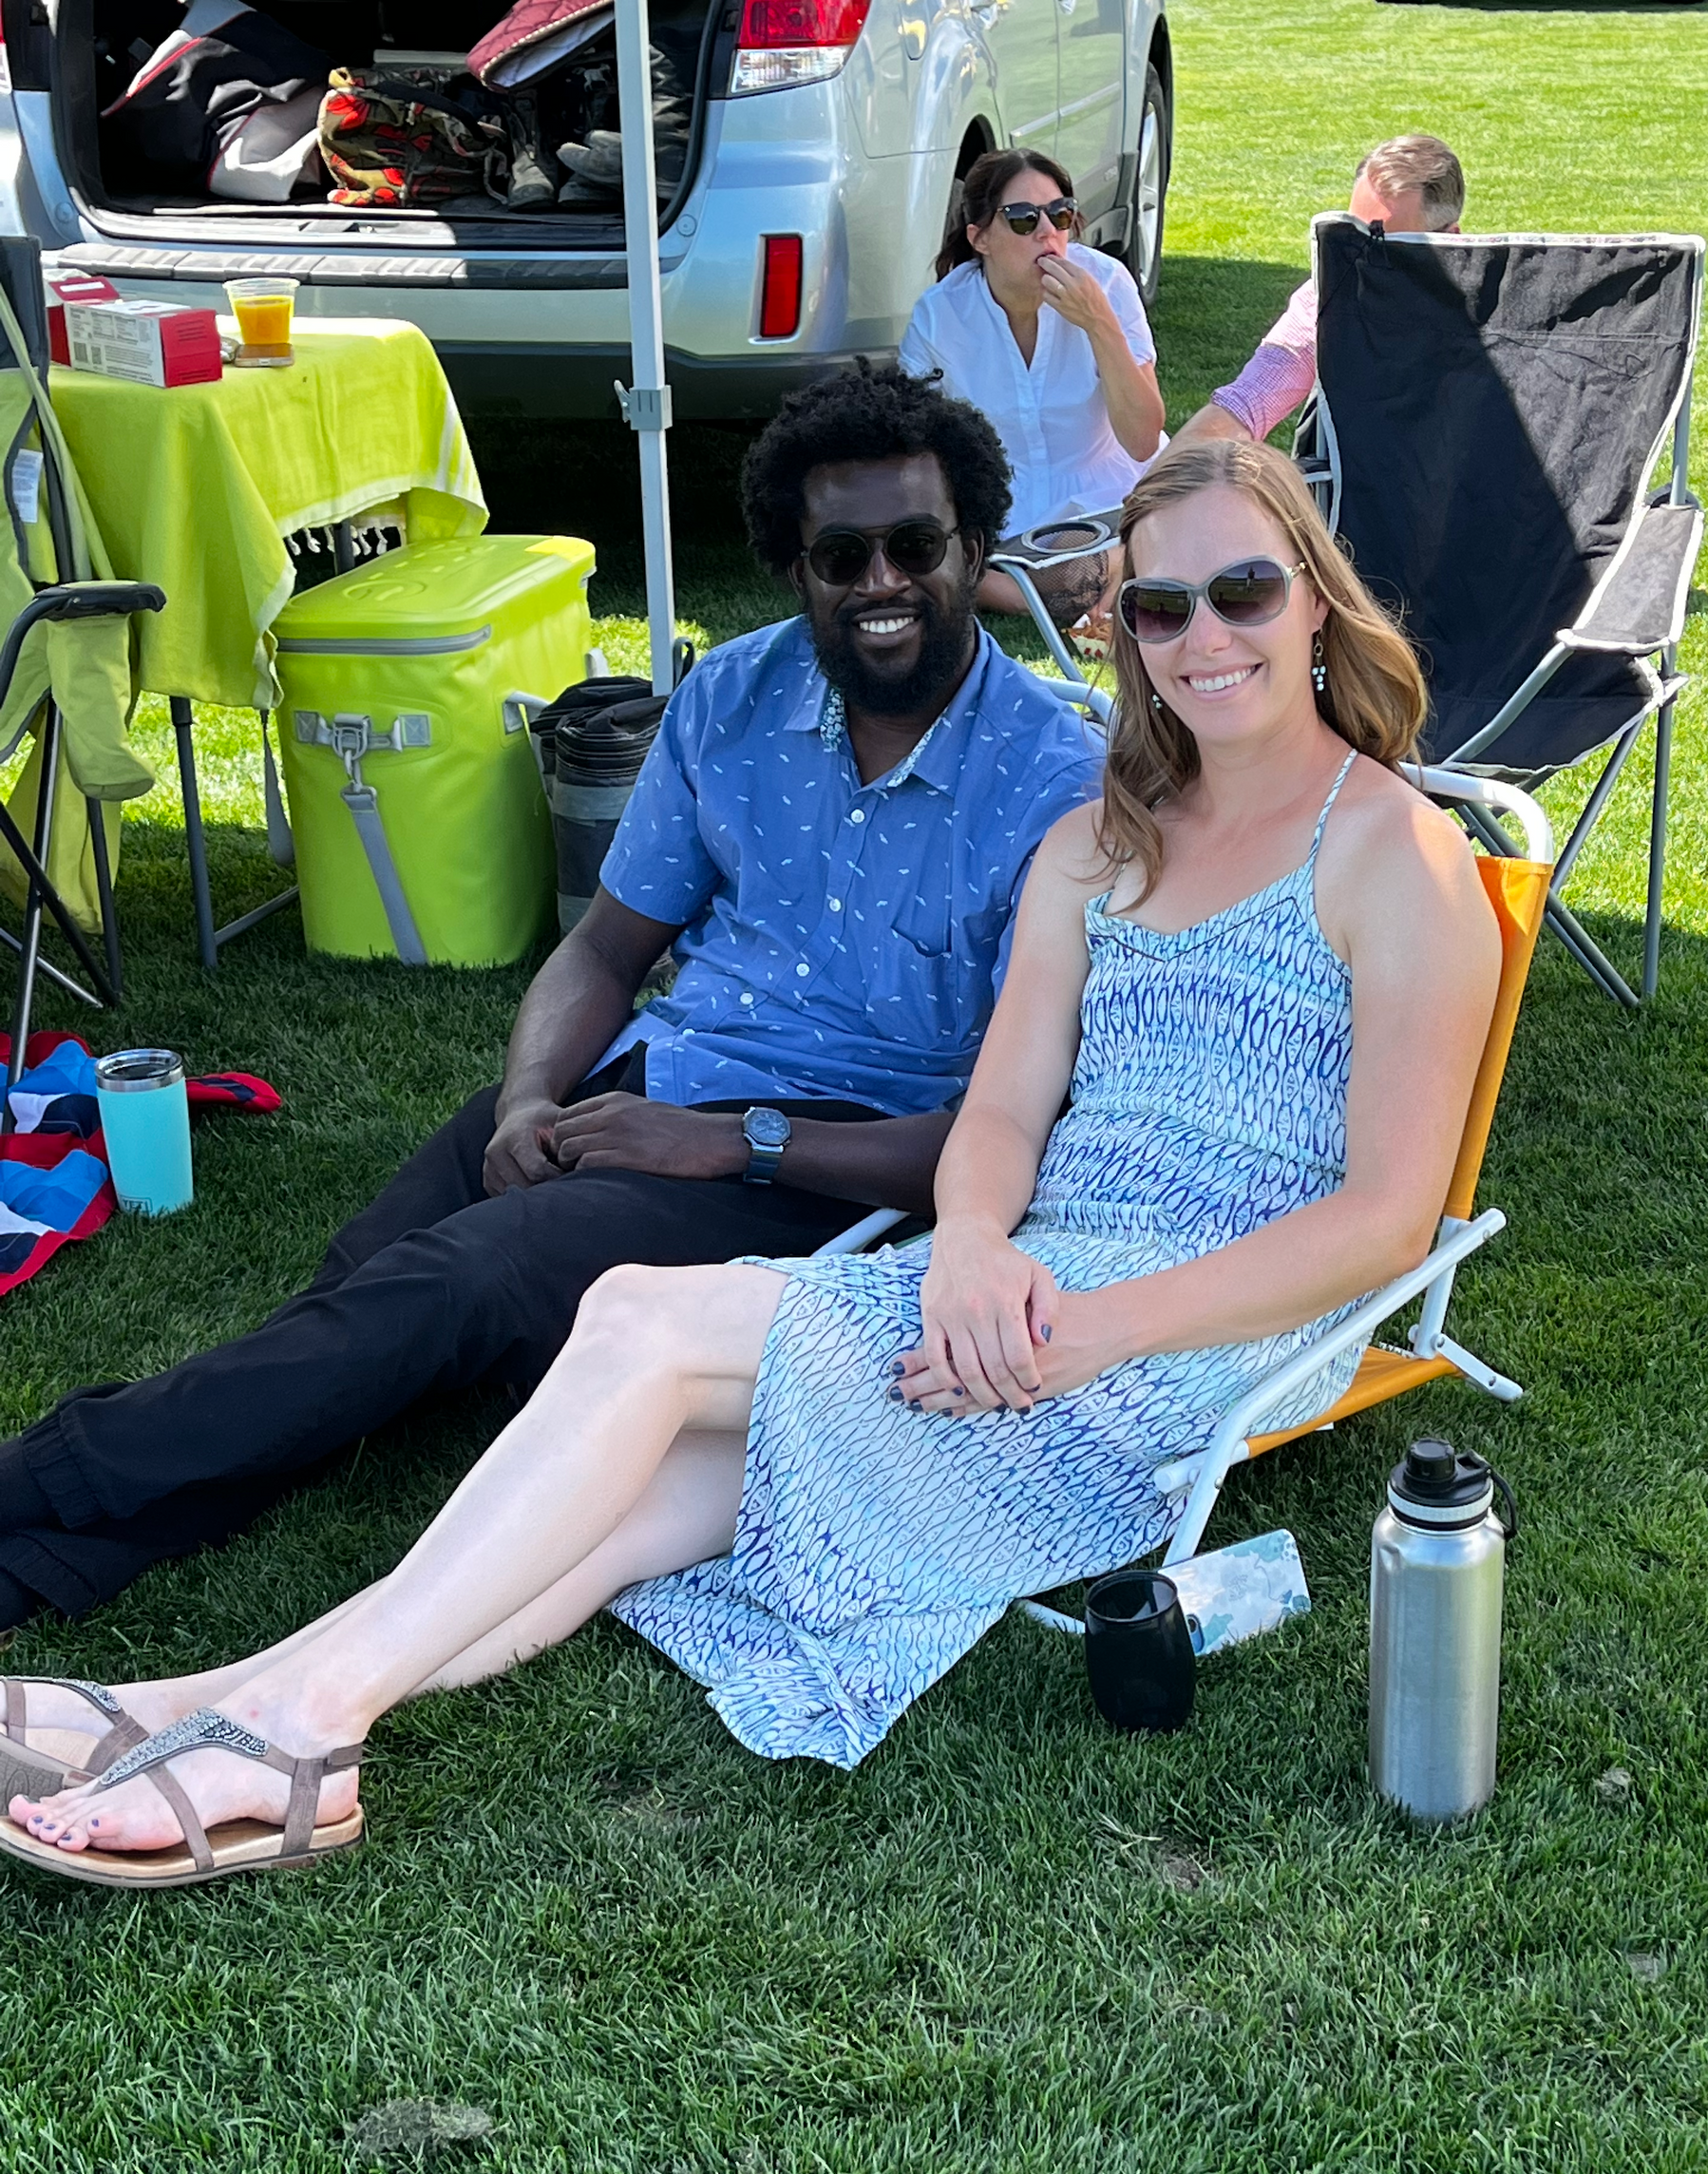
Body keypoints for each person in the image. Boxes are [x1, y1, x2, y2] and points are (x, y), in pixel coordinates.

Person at [3, 436, 1506, 1886]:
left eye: (1242, 591)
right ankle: (209, 1703)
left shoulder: (1394, 854)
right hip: (1017, 1283)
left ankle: (299, 1736)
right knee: (629, 1487)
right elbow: (998, 1121)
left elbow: (1383, 1219)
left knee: (642, 1321)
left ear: (1314, 595)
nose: (1202, 637)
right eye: (1162, 606)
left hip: (1201, 1332)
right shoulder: (1104, 843)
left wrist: (1080, 1330)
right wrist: (978, 1254)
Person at [0, 365, 1105, 1659]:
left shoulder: (1056, 780)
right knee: (362, 1299)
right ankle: (72, 1553)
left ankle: (37, 1484)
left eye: (915, 546)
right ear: (792, 565)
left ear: (972, 547)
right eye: (839, 554)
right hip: (636, 1098)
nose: (878, 583)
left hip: (821, 1167)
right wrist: (530, 1098)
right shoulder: (732, 698)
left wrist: (736, 1141)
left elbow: (1015, 1127)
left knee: (452, 1284)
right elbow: (602, 948)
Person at [900, 147, 1165, 637]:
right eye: (1022, 219)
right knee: (918, 550)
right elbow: (920, 458)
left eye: (1060, 214)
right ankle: (1106, 575)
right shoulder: (940, 317)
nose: (1048, 232)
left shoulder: (1107, 283)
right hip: (1002, 512)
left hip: (1108, 495)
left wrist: (1099, 323)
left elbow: (1143, 439)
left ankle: (1081, 578)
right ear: (980, 238)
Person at [1171, 134, 1465, 452]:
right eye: (1352, 239)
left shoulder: (1501, 312)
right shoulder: (1328, 297)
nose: (1362, 263)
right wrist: (1174, 470)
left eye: (1386, 248)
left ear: (1452, 242)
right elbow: (1249, 401)